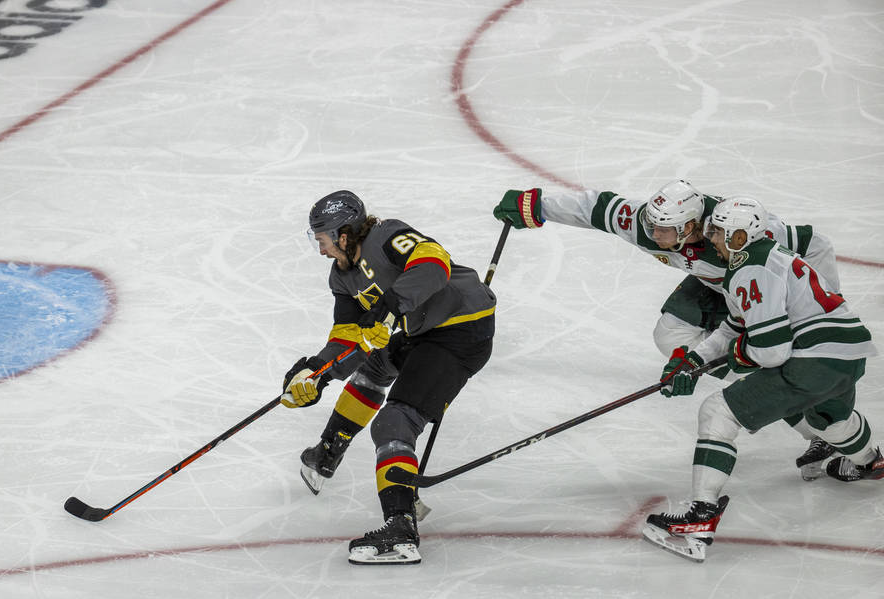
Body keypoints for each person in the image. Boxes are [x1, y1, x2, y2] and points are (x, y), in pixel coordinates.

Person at [492, 181, 841, 480]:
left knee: (776, 359)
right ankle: (775, 396)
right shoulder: (651, 223)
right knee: (670, 333)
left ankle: (816, 424)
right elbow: (596, 208)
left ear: (692, 226)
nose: (652, 235)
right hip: (719, 286)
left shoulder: (746, 234)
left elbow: (818, 244)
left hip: (760, 290)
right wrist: (534, 205)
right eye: (651, 226)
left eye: (664, 231)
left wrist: (824, 309)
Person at [641, 196, 881, 562]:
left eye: (719, 232)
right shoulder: (765, 256)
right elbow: (733, 326)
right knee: (829, 420)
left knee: (718, 413)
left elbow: (772, 353)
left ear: (740, 236)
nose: (711, 237)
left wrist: (738, 355)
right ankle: (869, 461)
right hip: (847, 351)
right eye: (712, 228)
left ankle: (700, 518)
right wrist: (693, 358)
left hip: (813, 357)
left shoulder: (749, 268)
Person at [279, 190, 496, 565]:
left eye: (324, 240)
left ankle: (401, 530)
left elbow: (434, 262)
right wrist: (316, 373)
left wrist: (391, 306)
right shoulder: (342, 278)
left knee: (394, 423)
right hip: (423, 331)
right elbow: (348, 338)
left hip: (463, 329)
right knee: (373, 369)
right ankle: (328, 452)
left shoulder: (387, 235)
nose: (322, 250)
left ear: (344, 234)